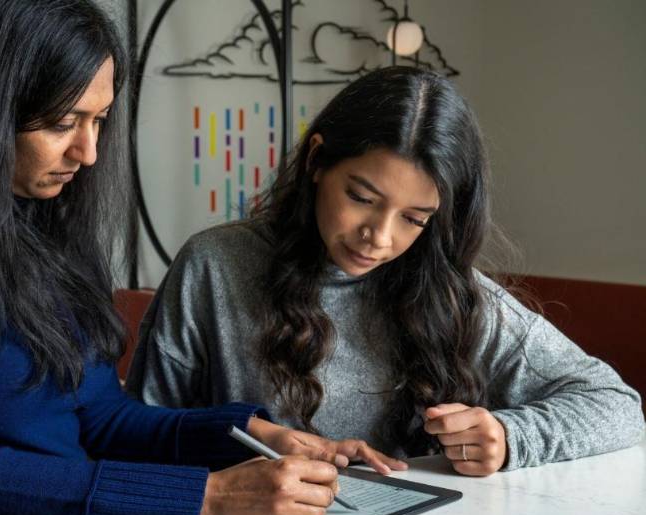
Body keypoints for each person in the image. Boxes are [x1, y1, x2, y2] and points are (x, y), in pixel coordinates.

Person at [0, 1, 399, 515]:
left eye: (99, 120)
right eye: (63, 123)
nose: (88, 153)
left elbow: (101, 418)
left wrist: (251, 435)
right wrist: (207, 499)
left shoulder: (39, 215)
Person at [126, 66, 645, 477]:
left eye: (414, 219)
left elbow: (617, 405)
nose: (379, 236)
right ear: (316, 162)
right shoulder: (214, 265)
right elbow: (136, 431)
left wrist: (512, 438)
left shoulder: (452, 295)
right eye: (361, 197)